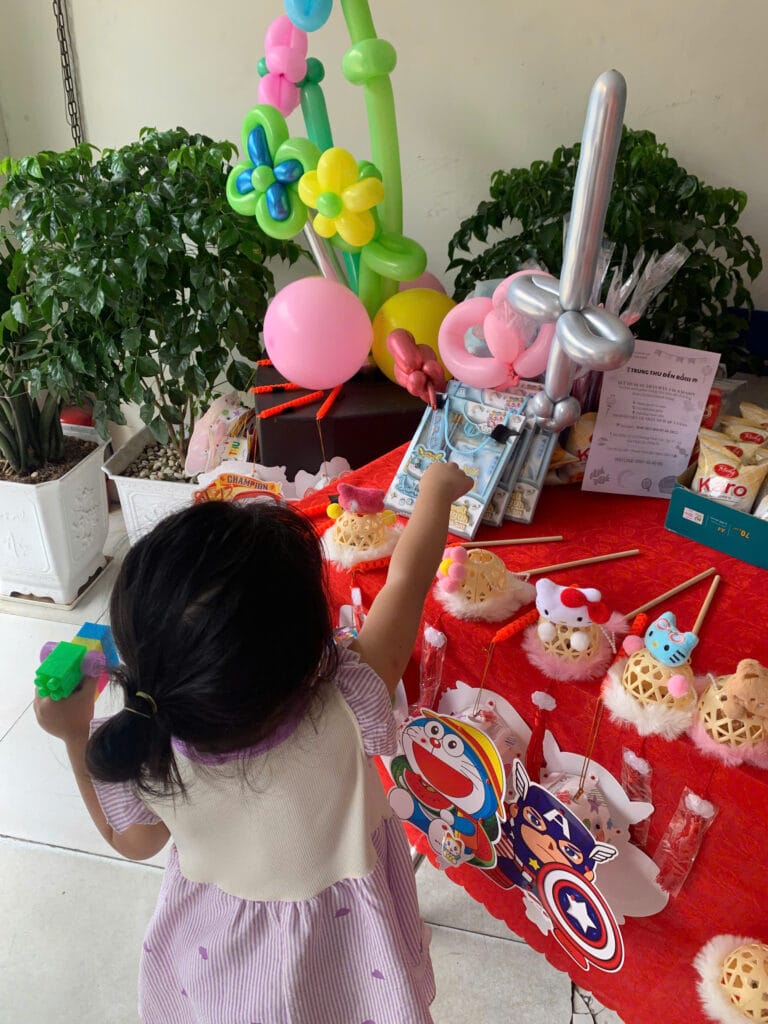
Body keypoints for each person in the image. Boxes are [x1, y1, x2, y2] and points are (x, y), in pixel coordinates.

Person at [35, 460, 472, 1024]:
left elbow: (133, 842)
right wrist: (436, 492)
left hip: (221, 967)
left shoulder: (149, 742)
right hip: (353, 961)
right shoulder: (346, 700)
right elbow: (406, 583)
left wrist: (74, 734)